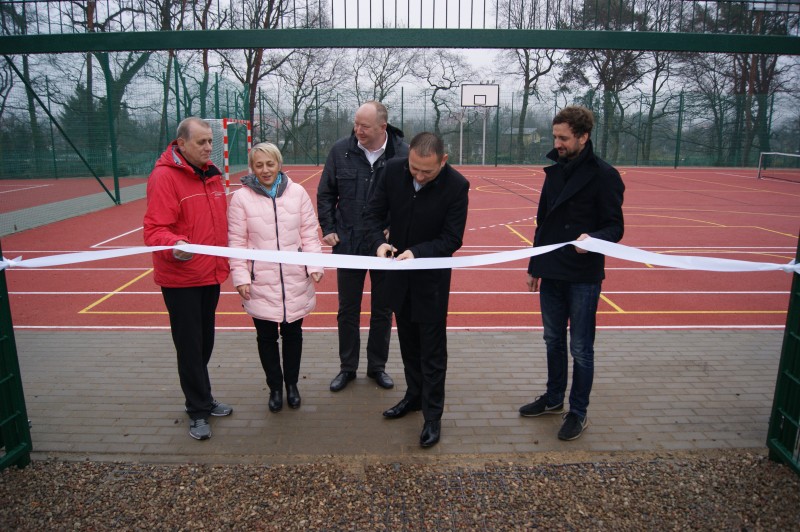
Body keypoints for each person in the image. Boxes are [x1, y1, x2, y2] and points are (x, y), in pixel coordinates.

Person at [519, 105, 625, 441]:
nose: (558, 143)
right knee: (552, 339)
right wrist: (535, 266)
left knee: (580, 347)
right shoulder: (553, 173)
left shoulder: (605, 175)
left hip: (583, 273)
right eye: (555, 137)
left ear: (583, 136)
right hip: (551, 270)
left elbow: (615, 227)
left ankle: (577, 412)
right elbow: (543, 223)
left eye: (563, 138)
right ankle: (553, 399)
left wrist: (595, 240)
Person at [365, 132, 469, 448]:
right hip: (398, 277)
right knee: (408, 342)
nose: (420, 176)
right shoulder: (392, 170)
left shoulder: (457, 186)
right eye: (415, 169)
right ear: (408, 156)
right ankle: (413, 397)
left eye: (428, 171)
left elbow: (452, 239)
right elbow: (371, 215)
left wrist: (418, 253)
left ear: (443, 161)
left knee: (433, 352)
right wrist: (379, 243)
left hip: (431, 281)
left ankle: (432, 416)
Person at [143, 117, 233, 441]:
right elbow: (155, 230)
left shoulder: (210, 176)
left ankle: (203, 398)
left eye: (210, 141)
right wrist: (176, 246)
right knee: (190, 347)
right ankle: (196, 410)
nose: (209, 147)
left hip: (210, 274)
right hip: (181, 279)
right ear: (181, 144)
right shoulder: (164, 178)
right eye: (201, 142)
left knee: (204, 342)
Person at [317, 101, 409, 392]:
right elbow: (325, 192)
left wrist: (394, 227)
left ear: (383, 127)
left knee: (383, 309)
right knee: (347, 309)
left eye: (364, 126)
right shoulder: (340, 150)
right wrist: (329, 228)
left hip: (386, 246)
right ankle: (347, 368)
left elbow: (410, 198)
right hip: (348, 242)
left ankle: (377, 367)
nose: (358, 130)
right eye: (356, 124)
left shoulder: (403, 154)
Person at [228, 143, 324, 413]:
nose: (265, 170)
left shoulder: (298, 193)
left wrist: (314, 265)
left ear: (279, 163)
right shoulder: (241, 198)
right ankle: (275, 387)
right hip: (261, 281)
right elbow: (236, 242)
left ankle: (292, 385)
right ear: (252, 167)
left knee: (294, 334)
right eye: (259, 165)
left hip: (294, 279)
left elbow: (309, 233)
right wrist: (241, 277)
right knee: (266, 338)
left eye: (270, 164)